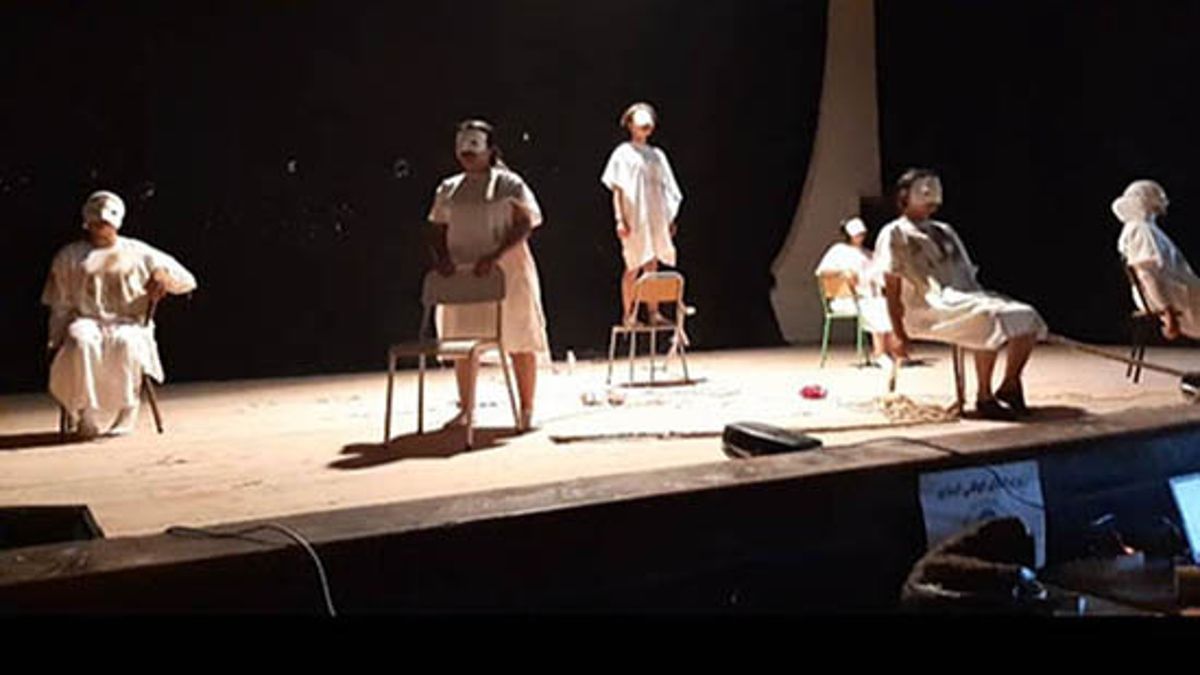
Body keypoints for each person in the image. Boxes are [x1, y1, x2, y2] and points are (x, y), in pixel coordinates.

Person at [874, 169, 1046, 418]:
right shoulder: (894, 233)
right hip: (927, 305)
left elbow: (964, 274)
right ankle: (985, 396)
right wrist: (897, 331)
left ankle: (1010, 383)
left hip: (960, 297)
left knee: (1026, 315)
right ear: (905, 196)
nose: (931, 198)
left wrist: (975, 294)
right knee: (987, 317)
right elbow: (891, 287)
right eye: (924, 191)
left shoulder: (944, 230)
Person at [42, 190, 197, 438]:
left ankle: (127, 410)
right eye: (96, 219)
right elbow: (60, 302)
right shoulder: (69, 256)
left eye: (106, 219)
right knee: (80, 341)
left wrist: (163, 276)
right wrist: (55, 337)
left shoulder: (138, 252)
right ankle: (86, 412)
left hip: (129, 322)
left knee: (125, 343)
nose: (101, 225)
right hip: (87, 320)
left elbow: (187, 280)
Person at [427, 119, 549, 431]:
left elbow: (525, 222)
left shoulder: (509, 184)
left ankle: (526, 409)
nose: (467, 152)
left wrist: (496, 254)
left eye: (474, 145)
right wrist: (442, 259)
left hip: (507, 270)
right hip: (464, 271)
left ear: (489, 149)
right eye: (462, 145)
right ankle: (466, 409)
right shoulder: (449, 188)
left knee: (519, 336)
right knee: (462, 339)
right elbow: (437, 227)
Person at [601, 102, 684, 325]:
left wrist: (669, 219)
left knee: (652, 264)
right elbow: (617, 189)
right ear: (630, 125)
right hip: (635, 216)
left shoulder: (657, 155)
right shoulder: (623, 153)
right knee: (633, 264)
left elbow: (666, 188)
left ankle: (653, 312)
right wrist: (620, 219)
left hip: (654, 216)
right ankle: (629, 314)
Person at [1112, 179, 1200, 340]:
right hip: (1172, 295)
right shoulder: (1140, 230)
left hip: (1177, 290)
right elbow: (1147, 274)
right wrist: (1167, 311)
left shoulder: (1145, 228)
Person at [814, 216, 895, 361]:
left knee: (887, 305)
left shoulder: (868, 254)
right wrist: (842, 273)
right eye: (857, 234)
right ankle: (879, 353)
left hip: (868, 297)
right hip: (845, 298)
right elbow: (822, 272)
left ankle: (891, 351)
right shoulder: (838, 250)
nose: (860, 237)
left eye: (862, 234)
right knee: (876, 307)